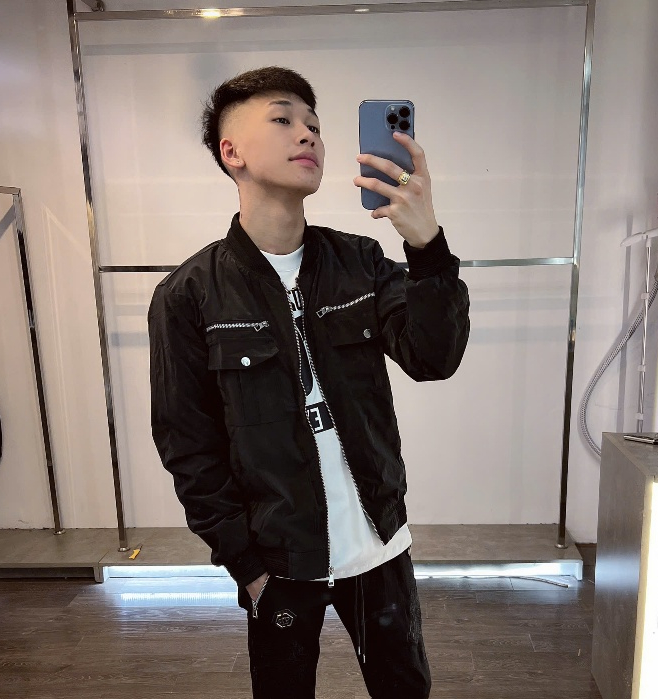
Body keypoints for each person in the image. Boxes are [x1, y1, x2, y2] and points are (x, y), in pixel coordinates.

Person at [148, 66, 470, 699]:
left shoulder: (360, 262)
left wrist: (427, 248)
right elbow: (187, 446)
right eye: (283, 119)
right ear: (231, 152)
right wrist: (246, 565)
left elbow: (434, 358)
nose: (309, 135)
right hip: (278, 559)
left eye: (315, 125)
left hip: (379, 541)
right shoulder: (188, 295)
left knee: (405, 690)